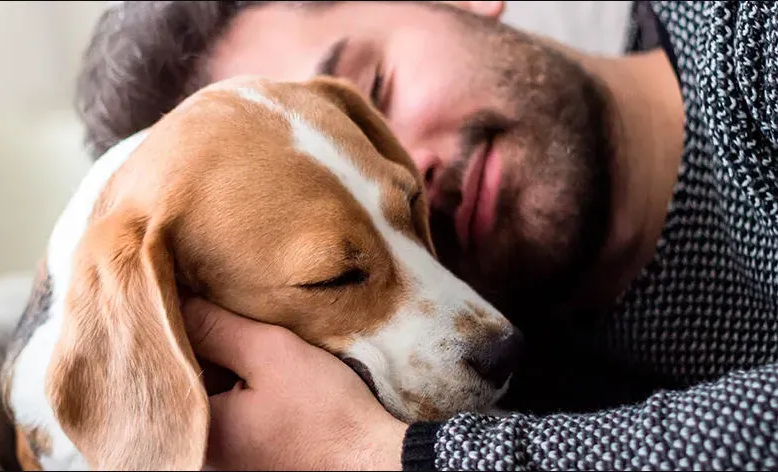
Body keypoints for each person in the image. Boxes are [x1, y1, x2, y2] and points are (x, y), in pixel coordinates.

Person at [74, 1, 778, 470]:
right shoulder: (506, 363)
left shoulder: (747, 35)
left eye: (371, 90)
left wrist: (386, 456)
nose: (404, 165)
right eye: (331, 268)